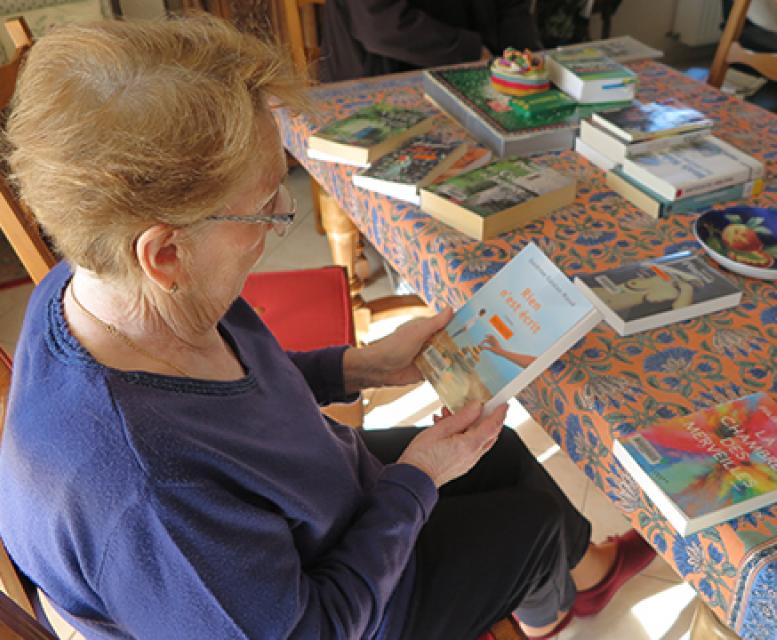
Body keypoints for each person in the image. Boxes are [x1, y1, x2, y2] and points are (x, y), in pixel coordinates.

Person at [0, 17, 653, 640]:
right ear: (165, 254)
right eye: (264, 209)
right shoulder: (149, 496)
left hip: (318, 510)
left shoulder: (102, 281)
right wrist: (419, 480)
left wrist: (361, 365)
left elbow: (237, 396)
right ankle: (549, 612)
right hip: (345, 611)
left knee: (502, 450)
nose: (283, 217)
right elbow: (315, 627)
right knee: (532, 525)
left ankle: (581, 578)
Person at [321, 0, 542, 82]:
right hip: (385, 77)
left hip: (476, 67)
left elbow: (512, 7)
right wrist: (472, 52)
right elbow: (380, 24)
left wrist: (524, 57)